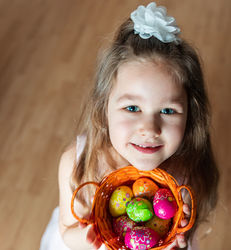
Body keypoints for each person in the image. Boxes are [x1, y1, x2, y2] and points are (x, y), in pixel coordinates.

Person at [40, 2, 219, 250]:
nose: (149, 128)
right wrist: (92, 239)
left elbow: (180, 231)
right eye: (132, 108)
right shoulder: (78, 162)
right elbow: (67, 230)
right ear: (104, 107)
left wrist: (179, 240)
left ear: (191, 114)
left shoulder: (184, 167)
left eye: (167, 111)